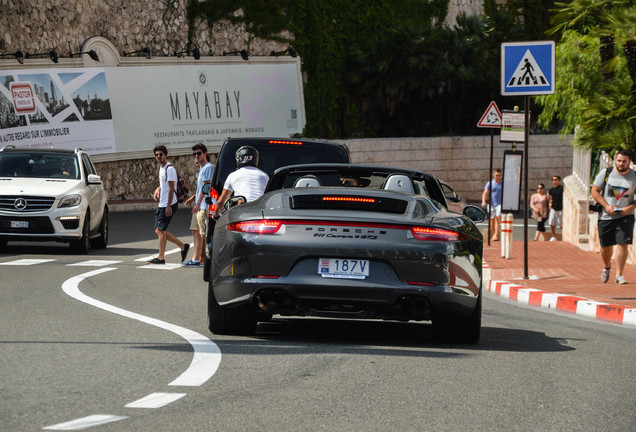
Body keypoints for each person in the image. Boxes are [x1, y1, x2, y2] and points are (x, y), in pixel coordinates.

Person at [591, 149, 636, 285]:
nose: (621, 163)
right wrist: (606, 206)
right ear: (615, 160)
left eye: (624, 161)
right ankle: (606, 267)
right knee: (606, 247)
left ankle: (619, 275)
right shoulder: (606, 173)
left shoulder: (634, 176)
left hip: (625, 216)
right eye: (619, 160)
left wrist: (629, 208)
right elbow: (594, 191)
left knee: (623, 244)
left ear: (629, 162)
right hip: (606, 216)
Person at [148, 145, 189, 264]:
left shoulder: (169, 168)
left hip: (168, 203)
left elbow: (172, 188)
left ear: (166, 155)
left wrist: (169, 206)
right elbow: (165, 184)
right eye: (156, 155)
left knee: (161, 231)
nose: (158, 156)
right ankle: (182, 246)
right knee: (159, 230)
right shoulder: (162, 168)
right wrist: (158, 188)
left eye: (161, 154)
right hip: (163, 203)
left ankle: (161, 258)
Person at [213, 146, 269, 218]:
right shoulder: (265, 176)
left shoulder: (232, 176)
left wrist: (215, 215)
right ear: (256, 160)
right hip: (261, 214)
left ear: (239, 159)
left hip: (242, 213)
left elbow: (221, 202)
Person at [182, 143, 213, 267]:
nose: (196, 156)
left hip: (204, 206)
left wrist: (198, 203)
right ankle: (195, 259)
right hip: (199, 205)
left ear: (205, 153)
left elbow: (206, 187)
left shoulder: (208, 167)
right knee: (195, 230)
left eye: (199, 153)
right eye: (194, 154)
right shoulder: (202, 168)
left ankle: (203, 260)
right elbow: (201, 188)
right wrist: (192, 198)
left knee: (203, 233)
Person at [481, 169, 503, 242]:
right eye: (496, 175)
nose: (497, 177)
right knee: (492, 220)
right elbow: (485, 193)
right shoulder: (490, 183)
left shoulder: (502, 184)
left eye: (499, 175)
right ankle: (494, 234)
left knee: (498, 217)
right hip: (491, 204)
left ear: (501, 176)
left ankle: (496, 234)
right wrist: (483, 201)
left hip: (499, 204)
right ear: (494, 175)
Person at [548, 175, 563, 241]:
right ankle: (553, 236)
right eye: (553, 179)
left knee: (561, 224)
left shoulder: (562, 188)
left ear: (559, 181)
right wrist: (550, 203)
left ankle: (564, 235)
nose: (554, 181)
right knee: (551, 222)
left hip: (560, 208)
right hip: (553, 208)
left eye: (556, 179)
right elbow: (551, 198)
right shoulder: (551, 190)